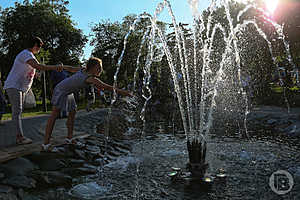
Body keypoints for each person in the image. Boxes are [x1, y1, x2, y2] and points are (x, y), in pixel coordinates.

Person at [43, 57, 132, 151]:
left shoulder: (84, 71)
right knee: (54, 115)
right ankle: (45, 144)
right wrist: (123, 92)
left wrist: (63, 66)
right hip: (61, 90)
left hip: (68, 92)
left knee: (73, 112)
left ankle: (69, 138)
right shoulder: (89, 78)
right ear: (92, 67)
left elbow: (71, 69)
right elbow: (107, 87)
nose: (101, 70)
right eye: (99, 67)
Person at [3, 36, 63, 144]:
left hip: (20, 87)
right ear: (35, 45)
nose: (39, 50)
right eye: (39, 47)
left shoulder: (30, 56)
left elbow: (34, 70)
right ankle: (19, 137)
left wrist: (37, 74)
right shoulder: (25, 54)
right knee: (17, 111)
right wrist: (54, 67)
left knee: (18, 111)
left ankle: (19, 136)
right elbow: (38, 66)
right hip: (14, 85)